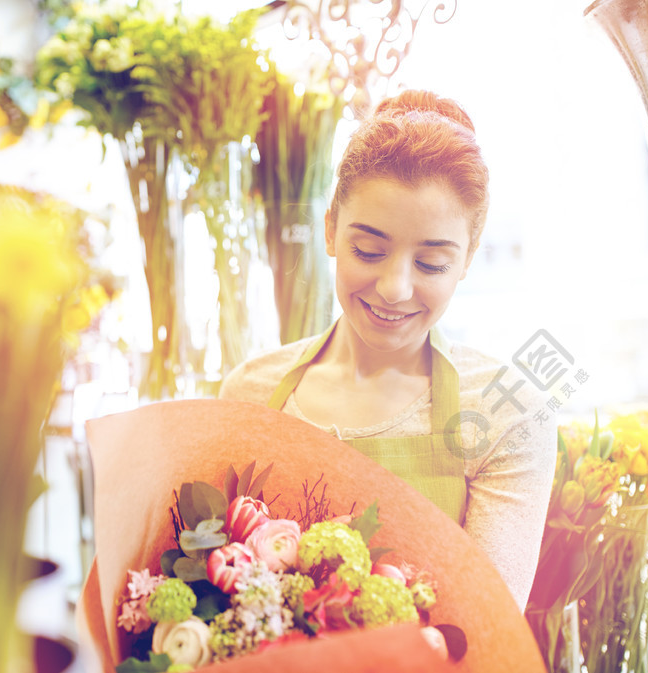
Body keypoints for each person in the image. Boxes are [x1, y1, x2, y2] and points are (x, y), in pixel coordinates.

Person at [219, 89, 556, 611]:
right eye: (369, 250)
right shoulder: (250, 391)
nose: (395, 287)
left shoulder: (505, 409)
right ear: (331, 228)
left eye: (432, 264)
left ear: (468, 257)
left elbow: (488, 633)